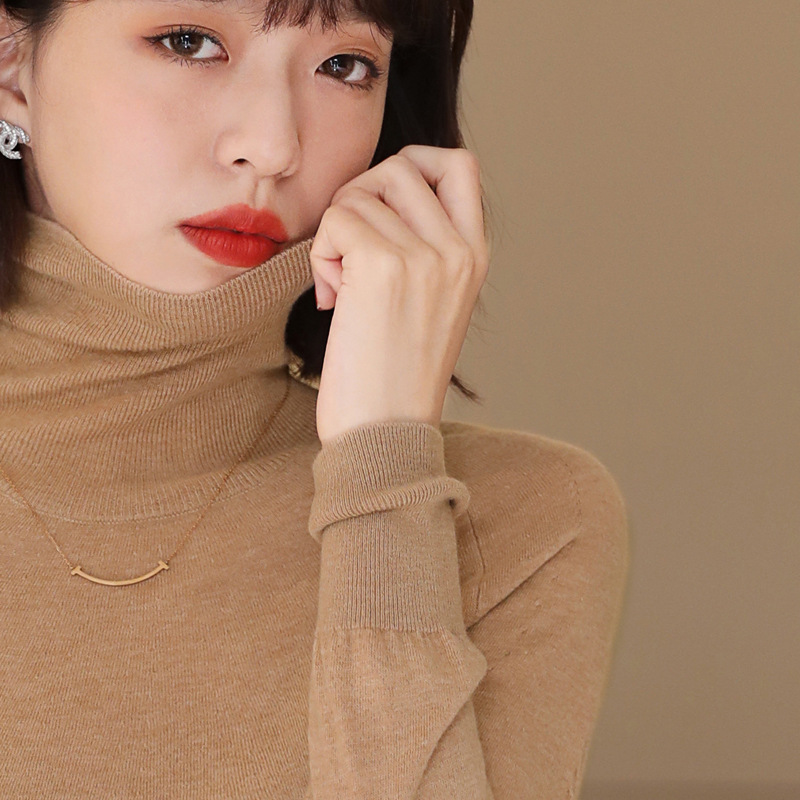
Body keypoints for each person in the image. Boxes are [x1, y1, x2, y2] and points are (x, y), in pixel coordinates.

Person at [0, 0, 630, 797]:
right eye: (189, 42)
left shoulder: (519, 523)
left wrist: (384, 475)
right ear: (10, 67)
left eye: (344, 65)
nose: (272, 147)